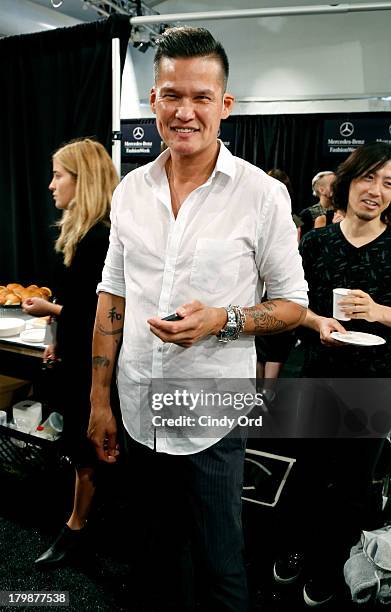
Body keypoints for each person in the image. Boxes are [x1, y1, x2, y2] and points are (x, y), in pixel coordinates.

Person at [87, 27, 307, 612]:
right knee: (154, 557)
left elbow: (292, 304)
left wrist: (222, 320)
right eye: (171, 95)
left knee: (220, 563)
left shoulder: (261, 195)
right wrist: (99, 401)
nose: (185, 111)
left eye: (201, 97)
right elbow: (112, 297)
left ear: (224, 105)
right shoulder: (131, 189)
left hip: (210, 408)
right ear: (153, 101)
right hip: (136, 404)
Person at [273, 142, 391, 607]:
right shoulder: (318, 243)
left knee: (352, 483)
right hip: (319, 376)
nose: (377, 191)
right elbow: (293, 308)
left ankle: (329, 563)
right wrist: (314, 323)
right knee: (307, 471)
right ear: (349, 181)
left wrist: (380, 312)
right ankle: (295, 545)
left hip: (376, 384)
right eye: (369, 178)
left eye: (388, 185)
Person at [22, 138, 118, 566]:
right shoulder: (82, 235)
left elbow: (102, 313)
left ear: (84, 180)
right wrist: (56, 340)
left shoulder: (101, 238)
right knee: (81, 445)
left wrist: (51, 311)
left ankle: (78, 529)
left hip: (96, 366)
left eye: (58, 175)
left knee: (88, 446)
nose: (50, 185)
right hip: (77, 355)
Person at [299, 170, 335, 236]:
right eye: (333, 185)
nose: (337, 187)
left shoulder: (344, 210)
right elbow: (292, 233)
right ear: (321, 190)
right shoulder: (306, 214)